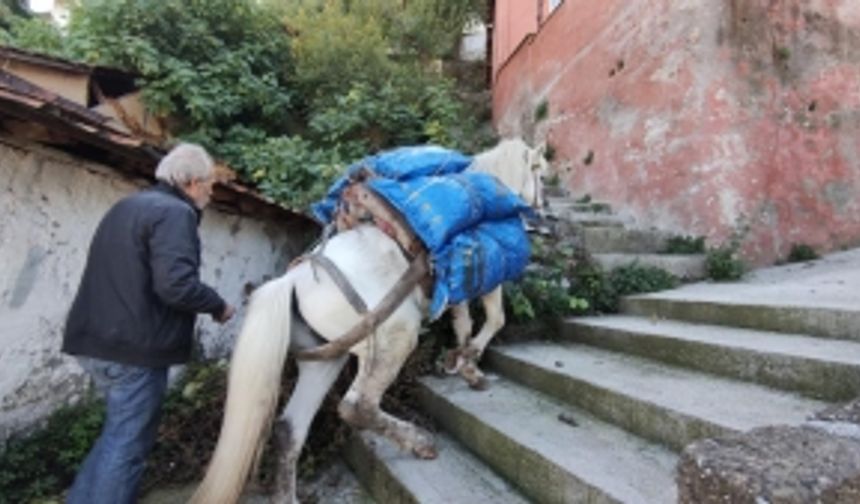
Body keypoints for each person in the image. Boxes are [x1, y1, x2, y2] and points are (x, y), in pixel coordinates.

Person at [62, 143, 235, 504]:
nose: (211, 191)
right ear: (189, 181)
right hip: (133, 351)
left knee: (117, 434)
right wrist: (218, 305)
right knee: (128, 446)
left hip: (96, 341)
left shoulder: (129, 206)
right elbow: (176, 285)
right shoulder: (175, 213)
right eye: (208, 183)